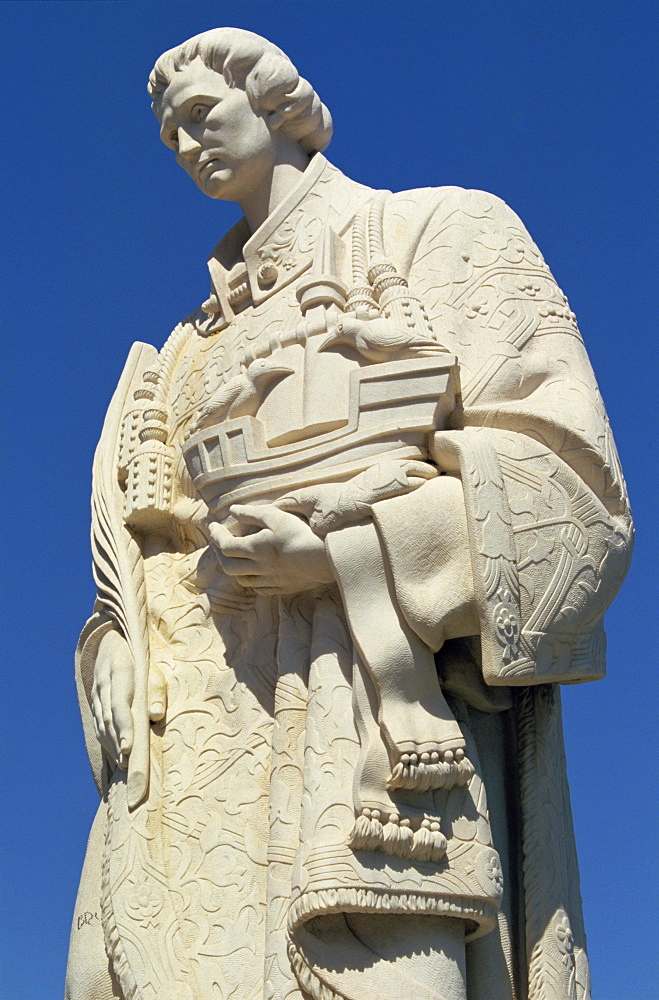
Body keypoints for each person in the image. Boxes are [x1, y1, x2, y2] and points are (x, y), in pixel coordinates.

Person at [66, 27, 632, 1000]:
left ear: (275, 101)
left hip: (365, 769)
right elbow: (146, 555)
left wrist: (347, 552)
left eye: (203, 115)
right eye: (170, 136)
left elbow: (568, 495)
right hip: (181, 805)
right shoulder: (176, 356)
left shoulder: (440, 232)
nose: (188, 143)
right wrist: (113, 643)